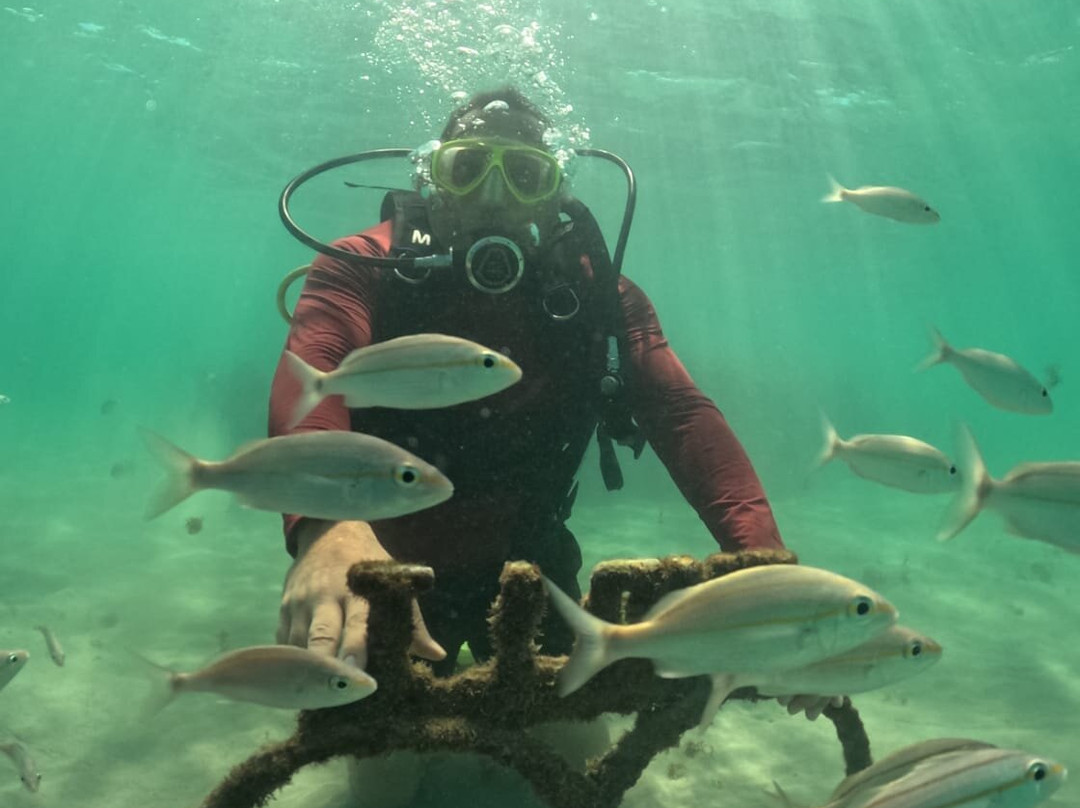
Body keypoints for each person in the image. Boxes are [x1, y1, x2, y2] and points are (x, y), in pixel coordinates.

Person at [268, 87, 822, 802]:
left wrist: (763, 565)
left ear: (553, 192)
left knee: (573, 776)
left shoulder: (603, 297)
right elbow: (310, 374)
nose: (493, 197)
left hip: (535, 571)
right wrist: (325, 527)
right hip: (382, 573)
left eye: (524, 174)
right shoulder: (361, 266)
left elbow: (683, 416)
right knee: (383, 786)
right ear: (430, 176)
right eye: (467, 168)